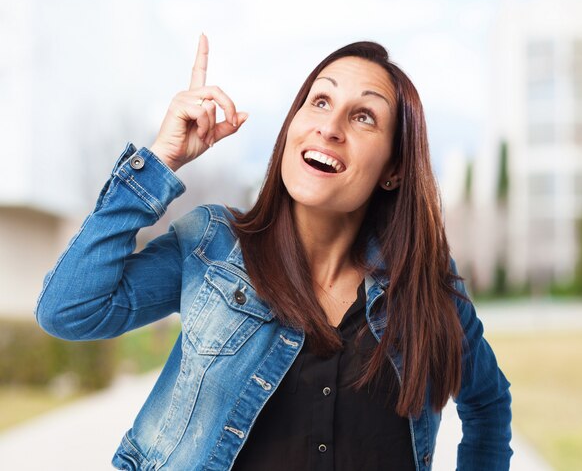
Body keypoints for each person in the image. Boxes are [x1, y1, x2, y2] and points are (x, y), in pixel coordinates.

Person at [35, 34, 513, 470]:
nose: (330, 127)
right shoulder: (213, 246)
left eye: (364, 115)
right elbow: (69, 310)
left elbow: (488, 405)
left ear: (394, 169)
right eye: (320, 101)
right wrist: (160, 161)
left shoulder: (425, 285)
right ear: (291, 128)